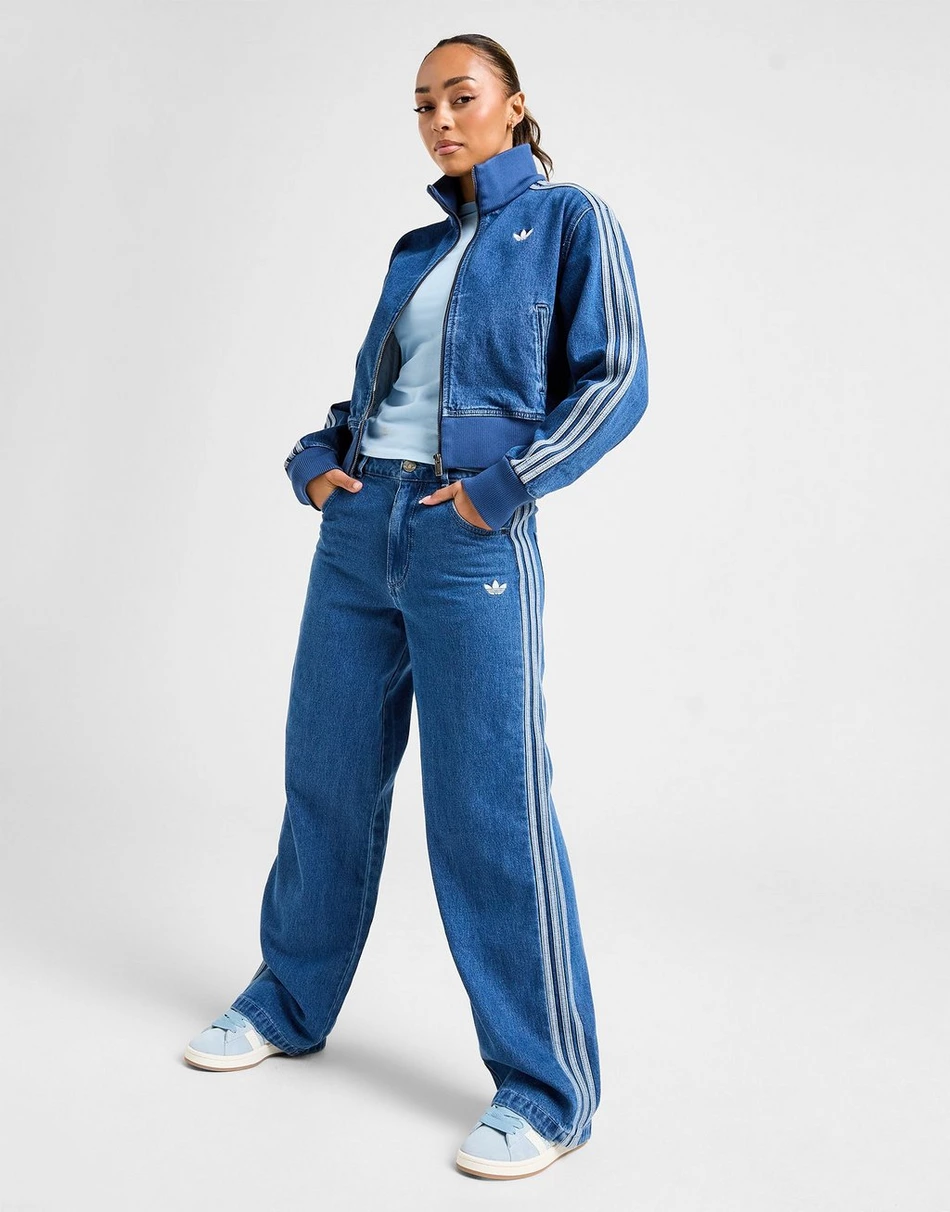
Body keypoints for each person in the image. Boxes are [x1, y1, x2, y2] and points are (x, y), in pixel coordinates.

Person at [183, 32, 648, 1181]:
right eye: (423, 104)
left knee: (488, 809)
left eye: (461, 96)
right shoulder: (416, 248)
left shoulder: (568, 221)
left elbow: (617, 379)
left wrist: (503, 490)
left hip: (463, 538)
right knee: (326, 777)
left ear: (513, 105)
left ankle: (545, 1089)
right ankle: (289, 1001)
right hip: (360, 530)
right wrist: (317, 460)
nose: (440, 118)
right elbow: (381, 393)